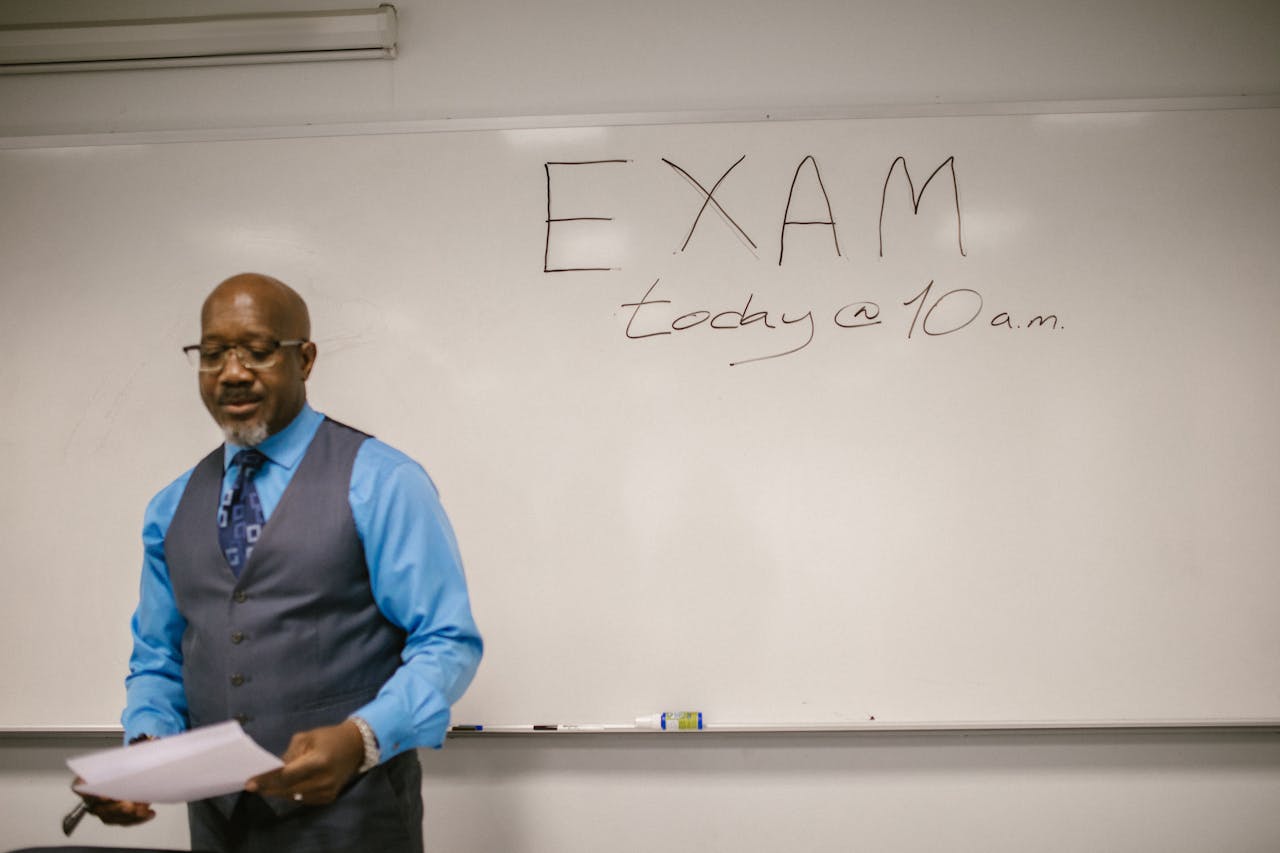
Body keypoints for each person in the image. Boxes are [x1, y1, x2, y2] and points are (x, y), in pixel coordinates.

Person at [77, 272, 483, 852]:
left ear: (306, 359)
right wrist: (144, 754)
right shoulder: (170, 508)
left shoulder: (383, 482)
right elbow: (159, 659)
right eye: (213, 354)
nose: (234, 372)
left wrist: (363, 737)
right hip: (221, 827)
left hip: (354, 820)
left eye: (259, 351)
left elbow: (447, 642)